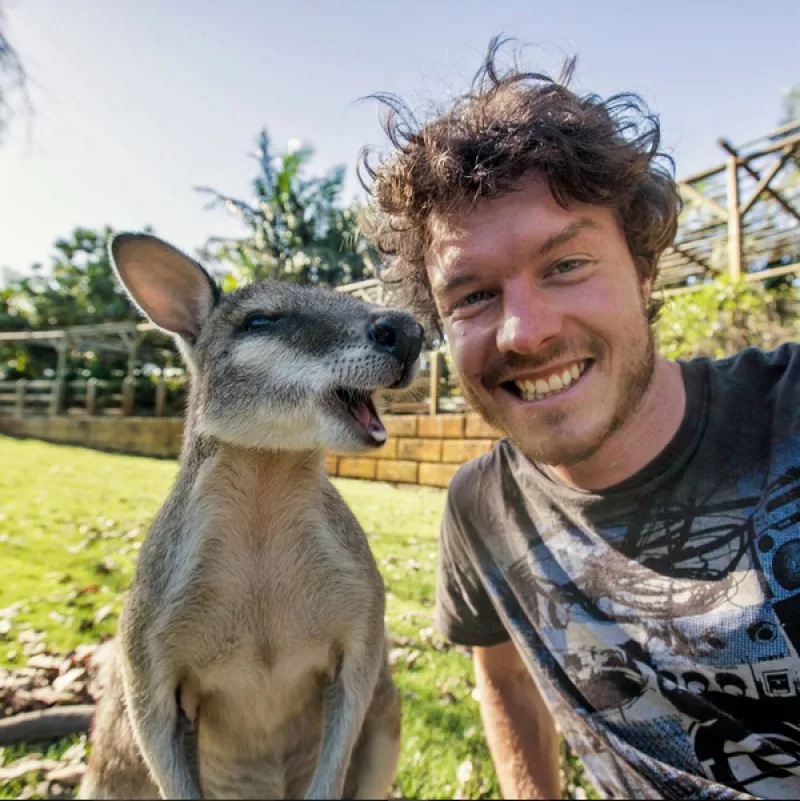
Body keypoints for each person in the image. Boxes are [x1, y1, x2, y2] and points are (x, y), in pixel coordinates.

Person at [361, 36, 800, 800]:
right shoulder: (480, 512)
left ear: (643, 267)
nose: (523, 332)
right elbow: (504, 675)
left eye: (565, 265)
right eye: (473, 295)